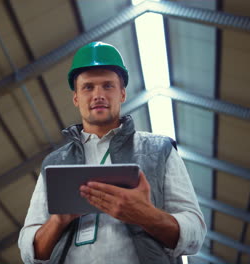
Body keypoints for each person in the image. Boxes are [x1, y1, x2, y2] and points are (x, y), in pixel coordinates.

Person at [18, 41, 206, 264]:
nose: (98, 95)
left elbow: (194, 234)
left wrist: (146, 216)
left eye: (108, 86)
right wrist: (59, 220)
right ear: (76, 98)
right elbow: (30, 252)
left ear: (123, 94)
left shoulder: (159, 150)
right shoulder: (54, 163)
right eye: (88, 87)